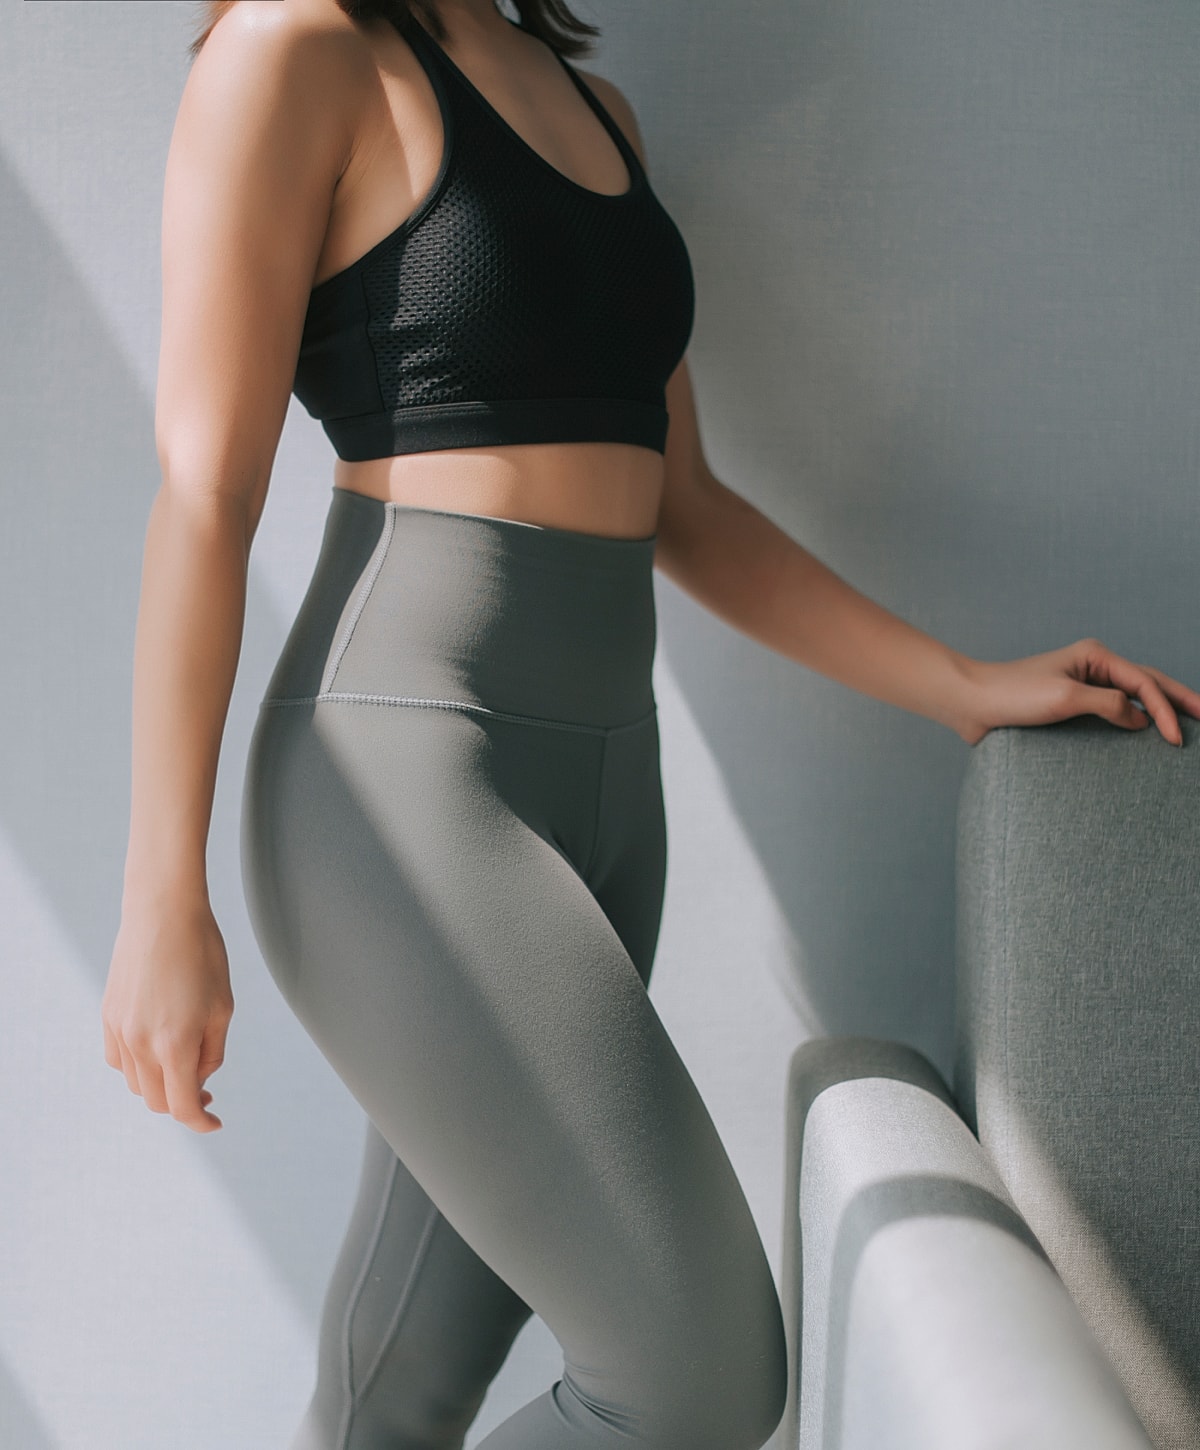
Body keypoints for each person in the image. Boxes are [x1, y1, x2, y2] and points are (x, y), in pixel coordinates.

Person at [101, 1, 1200, 1447]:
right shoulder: (297, 48)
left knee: (413, 1369)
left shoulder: (593, 111)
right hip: (403, 779)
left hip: (612, 789)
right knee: (701, 1379)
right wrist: (155, 892)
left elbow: (688, 507)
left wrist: (961, 683)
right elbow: (204, 491)